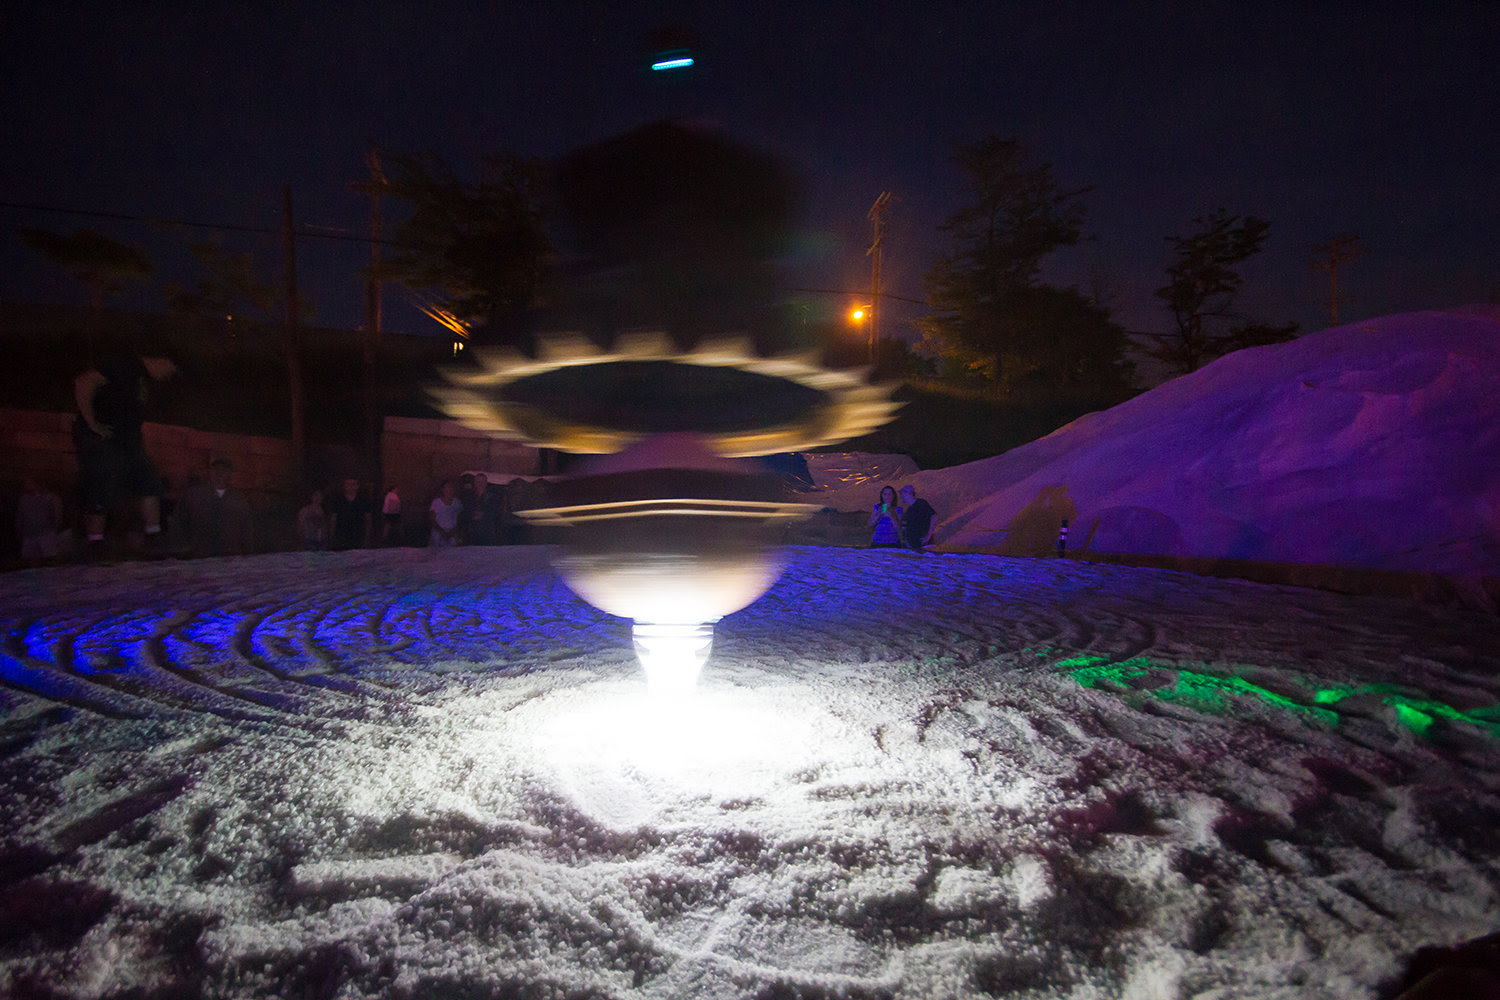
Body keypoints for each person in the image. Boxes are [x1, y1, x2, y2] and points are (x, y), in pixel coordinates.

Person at [72, 352, 178, 562]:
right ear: (161, 361)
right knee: (100, 480)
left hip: (128, 440)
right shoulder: (128, 365)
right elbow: (84, 382)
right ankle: (95, 543)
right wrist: (92, 424)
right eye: (169, 371)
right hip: (104, 436)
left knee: (149, 481)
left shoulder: (144, 381)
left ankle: (153, 537)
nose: (167, 377)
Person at [173, 457, 253, 557]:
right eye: (216, 470)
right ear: (209, 472)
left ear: (230, 474)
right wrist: (182, 549)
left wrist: (247, 553)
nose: (219, 474)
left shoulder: (238, 498)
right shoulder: (193, 495)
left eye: (224, 470)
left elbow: (246, 528)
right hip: (200, 555)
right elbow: (178, 523)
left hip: (230, 556)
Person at [17, 476, 64, 567]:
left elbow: (57, 514)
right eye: (26, 483)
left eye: (29, 483)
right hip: (29, 534)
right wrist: (19, 529)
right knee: (30, 560)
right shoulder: (23, 499)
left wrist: (54, 529)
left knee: (50, 560)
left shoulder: (50, 498)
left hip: (46, 533)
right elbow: (20, 516)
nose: (26, 485)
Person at [327, 476, 373, 551]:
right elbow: (333, 519)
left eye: (353, 484)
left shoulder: (364, 500)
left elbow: (368, 519)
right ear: (344, 486)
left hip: (358, 535)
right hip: (341, 536)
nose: (350, 487)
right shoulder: (338, 500)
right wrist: (331, 536)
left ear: (357, 486)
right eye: (348, 484)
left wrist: (367, 537)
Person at [900, 484, 936, 552]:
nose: (901, 496)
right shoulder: (909, 509)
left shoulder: (921, 503)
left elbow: (933, 516)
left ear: (908, 494)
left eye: (902, 494)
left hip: (922, 544)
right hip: (913, 545)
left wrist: (928, 536)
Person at [428, 479, 462, 547]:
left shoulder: (458, 502)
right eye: (447, 487)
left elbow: (460, 520)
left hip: (453, 533)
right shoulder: (436, 502)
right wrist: (442, 531)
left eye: (451, 487)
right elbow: (432, 519)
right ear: (442, 489)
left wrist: (452, 532)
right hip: (438, 532)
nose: (449, 489)